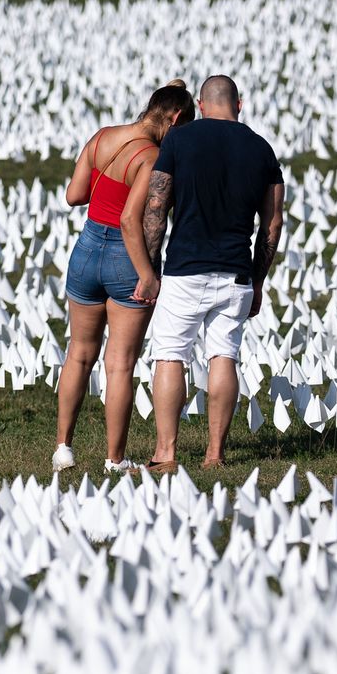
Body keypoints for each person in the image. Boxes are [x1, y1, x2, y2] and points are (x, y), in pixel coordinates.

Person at [134, 74, 285, 472]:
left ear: (200, 106)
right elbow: (272, 225)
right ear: (240, 104)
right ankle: (214, 455)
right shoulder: (262, 150)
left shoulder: (179, 141)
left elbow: (155, 208)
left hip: (185, 269)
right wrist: (257, 280)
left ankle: (165, 454)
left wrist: (150, 270)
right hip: (235, 272)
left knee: (169, 356)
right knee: (224, 356)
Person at [52, 81, 196, 472]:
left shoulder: (101, 138)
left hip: (84, 251)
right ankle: (114, 459)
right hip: (123, 256)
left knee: (78, 353)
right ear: (175, 118)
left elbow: (73, 195)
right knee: (119, 364)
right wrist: (148, 274)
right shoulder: (150, 157)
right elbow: (131, 220)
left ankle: (63, 447)